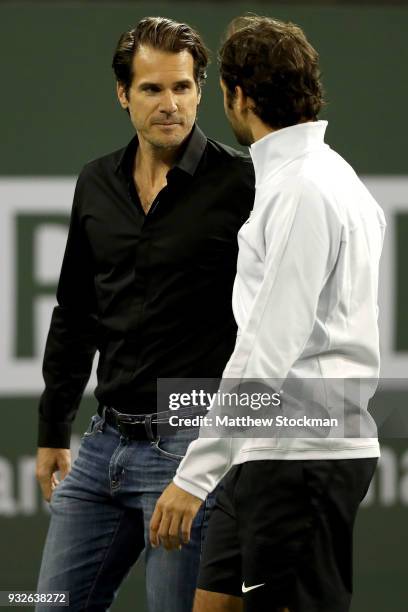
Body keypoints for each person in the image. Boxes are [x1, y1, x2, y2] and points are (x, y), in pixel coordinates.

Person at [150, 15, 386, 612]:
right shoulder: (323, 179)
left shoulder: (303, 189)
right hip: (265, 452)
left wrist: (192, 477)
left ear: (238, 96)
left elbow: (266, 351)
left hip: (300, 459)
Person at [35, 16, 254, 612]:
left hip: (190, 447)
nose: (170, 104)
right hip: (104, 442)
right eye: (153, 89)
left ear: (200, 90)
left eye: (182, 88)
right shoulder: (96, 182)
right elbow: (76, 311)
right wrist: (54, 427)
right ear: (123, 94)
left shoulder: (243, 184)